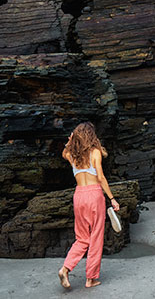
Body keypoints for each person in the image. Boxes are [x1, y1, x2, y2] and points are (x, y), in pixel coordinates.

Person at [58, 122, 120, 289]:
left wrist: (70, 142)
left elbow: (64, 152)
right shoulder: (95, 152)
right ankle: (90, 278)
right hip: (94, 195)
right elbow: (100, 177)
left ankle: (65, 268)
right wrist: (112, 198)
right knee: (96, 237)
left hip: (79, 195)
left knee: (82, 238)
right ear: (91, 135)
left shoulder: (71, 155)